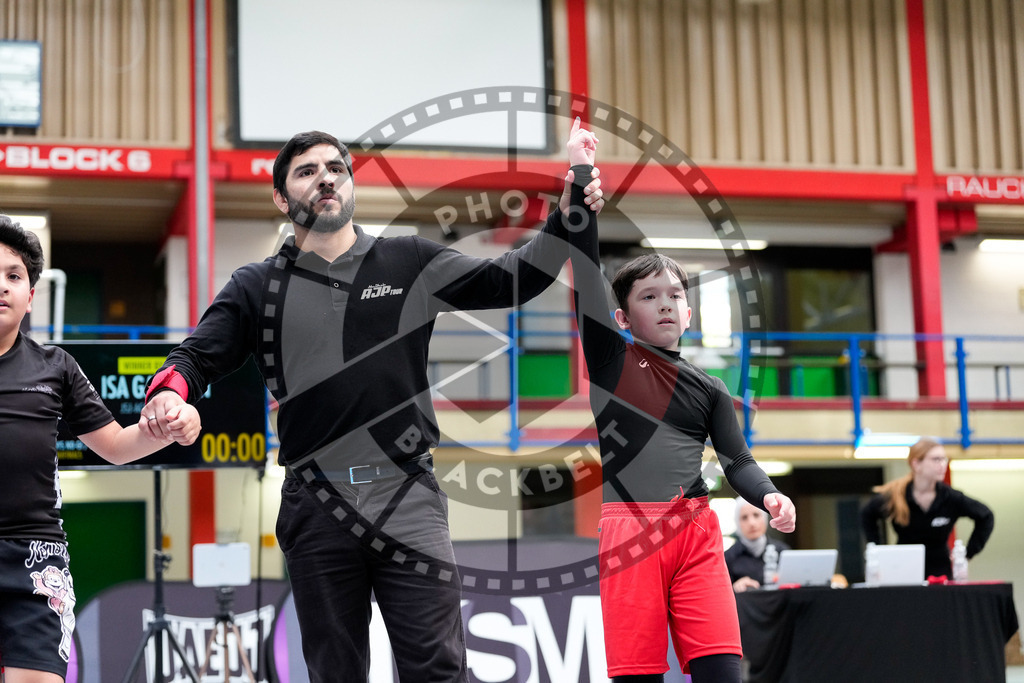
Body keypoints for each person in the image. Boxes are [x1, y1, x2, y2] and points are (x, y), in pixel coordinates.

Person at [140, 129, 605, 682]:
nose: (326, 178)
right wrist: (170, 393)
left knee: (438, 667)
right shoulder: (255, 286)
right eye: (307, 171)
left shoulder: (407, 259)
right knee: (336, 671)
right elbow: (194, 357)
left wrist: (571, 204)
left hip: (408, 495)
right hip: (316, 504)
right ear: (282, 199)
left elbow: (515, 279)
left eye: (336, 167)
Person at [562, 120, 796, 683]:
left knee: (723, 670)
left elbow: (736, 460)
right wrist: (581, 176)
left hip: (695, 531)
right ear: (621, 317)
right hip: (630, 533)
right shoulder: (611, 360)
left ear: (689, 312)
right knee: (638, 674)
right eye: (649, 296)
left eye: (676, 296)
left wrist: (770, 496)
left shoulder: (712, 389)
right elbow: (584, 265)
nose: (666, 304)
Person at [0, 215, 201, 683]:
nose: (2, 286)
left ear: (31, 298)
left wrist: (168, 428)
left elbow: (114, 444)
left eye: (14, 276)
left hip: (37, 559)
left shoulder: (56, 367)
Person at [860, 437, 994, 579]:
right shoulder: (896, 496)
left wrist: (968, 553)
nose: (942, 465)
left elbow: (986, 515)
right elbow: (867, 514)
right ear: (916, 464)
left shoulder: (951, 498)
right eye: (936, 460)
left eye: (944, 459)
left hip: (940, 570)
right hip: (904, 568)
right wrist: (879, 552)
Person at [724, 496, 791, 592]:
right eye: (744, 518)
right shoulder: (728, 558)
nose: (751, 523)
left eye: (756, 515)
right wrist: (734, 587)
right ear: (738, 523)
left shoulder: (782, 552)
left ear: (764, 518)